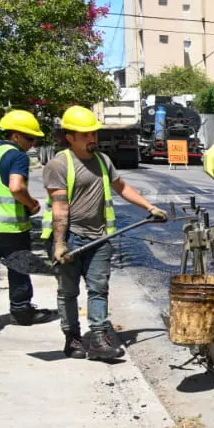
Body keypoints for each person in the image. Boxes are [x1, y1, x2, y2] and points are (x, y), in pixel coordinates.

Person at [42, 106, 168, 361]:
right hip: (69, 238)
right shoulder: (58, 165)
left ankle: (99, 338)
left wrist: (150, 207)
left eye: (93, 134)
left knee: (98, 288)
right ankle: (72, 338)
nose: (92, 139)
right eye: (85, 135)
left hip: (99, 237)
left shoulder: (102, 160)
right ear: (70, 137)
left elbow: (122, 187)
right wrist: (59, 244)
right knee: (68, 292)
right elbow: (59, 207)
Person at [0, 110, 59, 337]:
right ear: (15, 136)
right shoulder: (17, 156)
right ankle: (21, 312)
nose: (32, 143)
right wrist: (32, 205)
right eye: (29, 138)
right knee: (18, 268)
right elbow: (16, 187)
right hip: (9, 227)